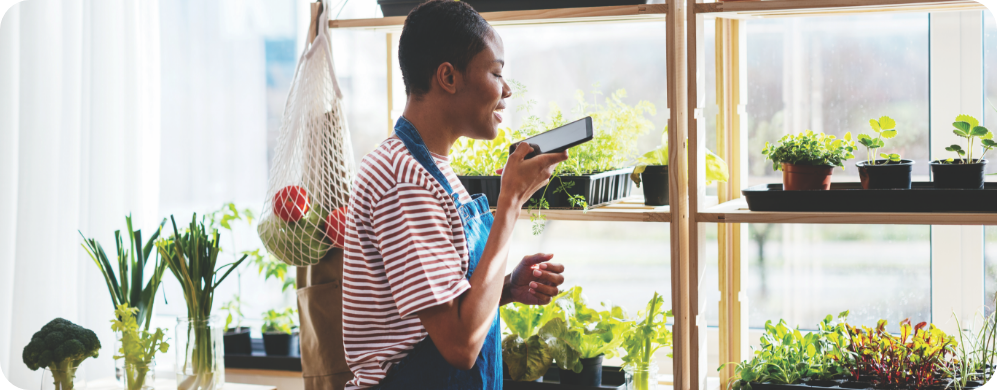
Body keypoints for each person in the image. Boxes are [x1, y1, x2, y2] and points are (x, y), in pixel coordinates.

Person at [341, 1, 569, 388]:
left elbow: (435, 313)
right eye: (496, 72)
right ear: (448, 76)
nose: (507, 90)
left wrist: (505, 287)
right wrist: (510, 203)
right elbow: (460, 346)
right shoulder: (404, 179)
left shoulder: (432, 167)